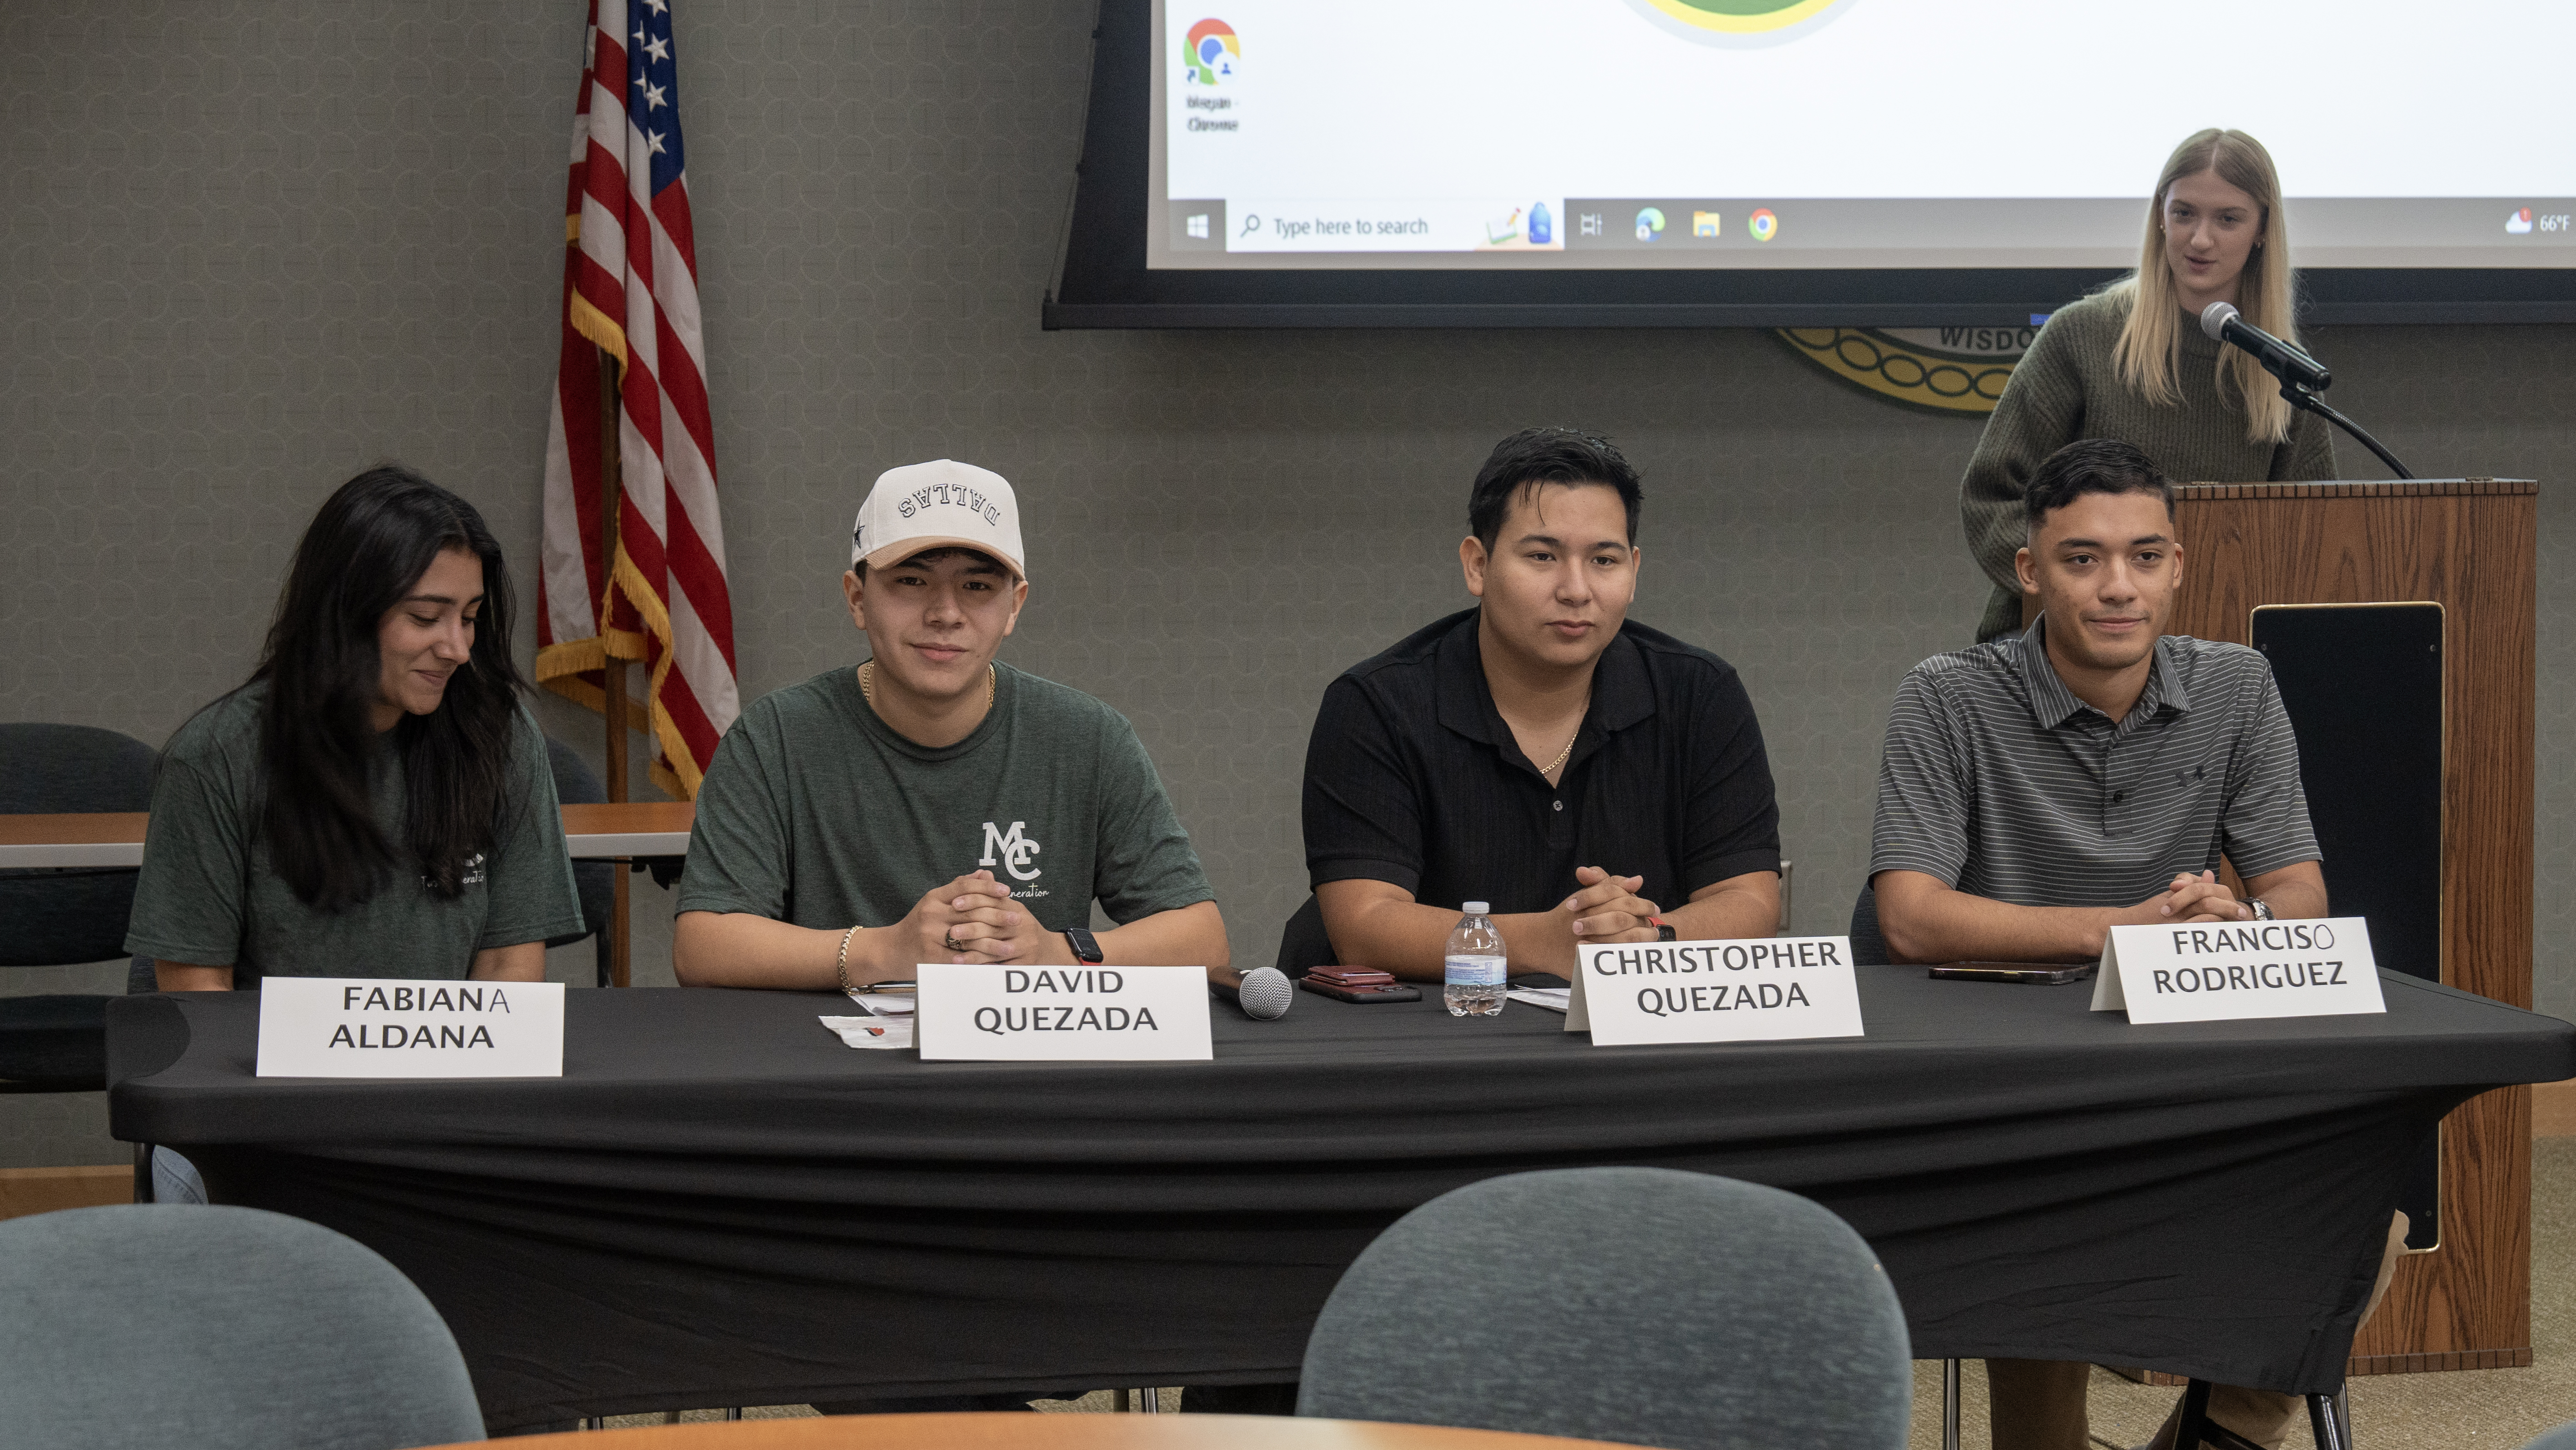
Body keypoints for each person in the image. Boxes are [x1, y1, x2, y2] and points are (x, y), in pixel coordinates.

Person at [1871, 438, 2404, 1450]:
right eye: (2082, 559)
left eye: (2145, 556)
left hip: (2185, 1077)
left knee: (2359, 1222)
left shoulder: (2238, 686)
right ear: (2029, 571)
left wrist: (2236, 925)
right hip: (2010, 1095)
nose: (2118, 587)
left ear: (2178, 564)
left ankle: (2216, 1439)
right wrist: (2119, 928)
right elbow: (1908, 915)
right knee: (2036, 1233)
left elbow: (2296, 889)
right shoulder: (1945, 697)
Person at [672, 457, 1227, 988]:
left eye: (977, 587)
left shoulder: (1089, 739)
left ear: (1014, 606)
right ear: (857, 597)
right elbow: (702, 946)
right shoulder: (775, 738)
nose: (945, 613)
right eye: (911, 582)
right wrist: (886, 951)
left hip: (1022, 1069)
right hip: (833, 1073)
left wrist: (1053, 953)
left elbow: (1201, 942)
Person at [1301, 426, 1782, 981]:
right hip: (1433, 1036)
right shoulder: (1376, 705)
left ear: (1633, 573)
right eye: (1542, 556)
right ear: (1477, 566)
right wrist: (1546, 943)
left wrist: (1644, 940)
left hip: (1637, 1037)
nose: (1576, 589)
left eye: (1604, 560)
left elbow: (1748, 900)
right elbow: (1363, 924)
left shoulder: (1701, 694)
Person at [127, 465, 585, 993]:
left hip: (448, 1071)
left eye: (469, 617)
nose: (458, 649)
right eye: (424, 618)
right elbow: (198, 994)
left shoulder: (499, 737)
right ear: (344, 613)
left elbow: (510, 971)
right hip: (267, 1074)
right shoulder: (216, 757)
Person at [1959, 128, 2335, 644]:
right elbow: (1991, 496)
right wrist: (2081, 593)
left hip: (2216, 652)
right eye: (2183, 214)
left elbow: (2314, 536)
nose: (2199, 239)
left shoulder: (2281, 377)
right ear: (2160, 216)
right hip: (2065, 643)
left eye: (2227, 219)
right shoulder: (2082, 336)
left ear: (2262, 230)